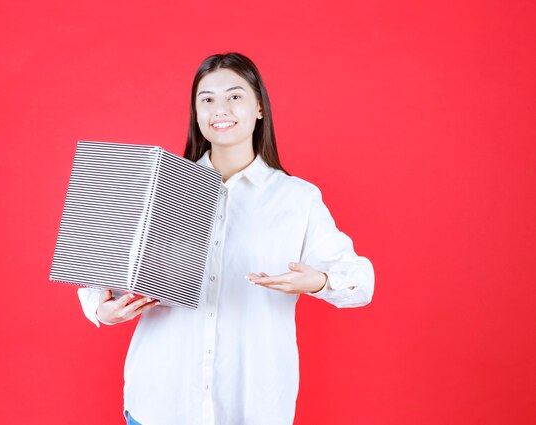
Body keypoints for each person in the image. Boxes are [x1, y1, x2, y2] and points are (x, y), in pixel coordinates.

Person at [77, 52, 374, 425]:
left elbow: (361, 282)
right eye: (207, 99)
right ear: (196, 113)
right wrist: (100, 309)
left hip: (253, 405)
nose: (221, 109)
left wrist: (319, 281)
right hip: (160, 401)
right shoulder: (161, 188)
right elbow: (99, 276)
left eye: (235, 96)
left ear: (259, 107)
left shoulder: (298, 199)